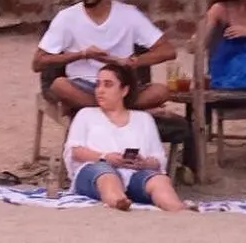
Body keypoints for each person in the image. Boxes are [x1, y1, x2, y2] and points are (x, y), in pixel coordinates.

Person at [33, 0, 175, 112]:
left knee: (161, 91)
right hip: (84, 86)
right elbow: (38, 63)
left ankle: (102, 107)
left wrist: (132, 62)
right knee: (60, 86)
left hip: (121, 87)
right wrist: (82, 54)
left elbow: (168, 50)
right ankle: (112, 108)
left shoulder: (129, 14)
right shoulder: (67, 17)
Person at [63, 62, 189, 212]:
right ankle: (118, 201)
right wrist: (105, 157)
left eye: (107, 85)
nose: (100, 90)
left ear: (124, 90)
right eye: (98, 84)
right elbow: (75, 151)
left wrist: (144, 163)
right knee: (106, 174)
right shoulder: (86, 114)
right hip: (95, 170)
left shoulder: (143, 119)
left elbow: (158, 159)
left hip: (135, 172)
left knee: (159, 180)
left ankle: (178, 208)